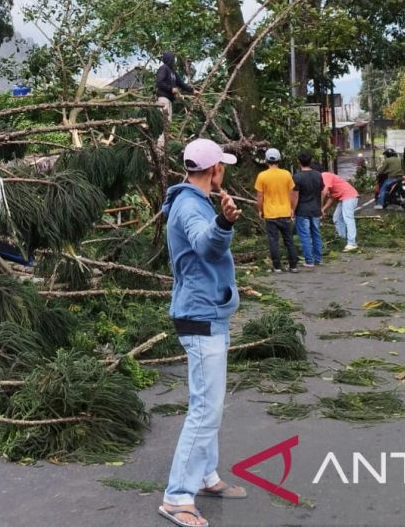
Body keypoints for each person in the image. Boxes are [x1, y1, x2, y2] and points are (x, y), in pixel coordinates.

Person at [159, 138, 246, 527]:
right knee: (205, 409)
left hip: (207, 312)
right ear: (216, 171)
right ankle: (178, 497)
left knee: (210, 402)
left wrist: (220, 220)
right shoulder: (191, 206)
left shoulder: (191, 202)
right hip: (200, 315)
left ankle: (207, 476)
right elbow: (206, 245)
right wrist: (225, 223)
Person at [255, 148, 299, 273]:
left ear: (266, 160)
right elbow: (292, 194)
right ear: (279, 159)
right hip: (285, 212)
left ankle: (277, 267)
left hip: (270, 214)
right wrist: (291, 209)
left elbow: (259, 196)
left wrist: (260, 210)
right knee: (289, 240)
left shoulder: (262, 176)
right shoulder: (286, 174)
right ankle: (293, 266)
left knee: (273, 241)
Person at [293, 152, 325, 267]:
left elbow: (295, 196)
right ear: (310, 161)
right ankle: (318, 259)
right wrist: (320, 207)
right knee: (316, 233)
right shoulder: (318, 175)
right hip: (315, 209)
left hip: (302, 210)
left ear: (299, 162)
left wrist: (292, 210)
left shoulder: (297, 177)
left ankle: (309, 260)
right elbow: (321, 192)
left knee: (305, 235)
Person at [320, 170, 360, 252]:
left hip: (349, 196)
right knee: (337, 218)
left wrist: (318, 207)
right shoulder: (328, 181)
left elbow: (324, 192)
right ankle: (342, 239)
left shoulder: (324, 175)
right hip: (344, 198)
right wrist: (322, 209)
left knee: (348, 218)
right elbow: (331, 198)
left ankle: (352, 243)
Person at [155, 51, 195, 126]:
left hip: (169, 99)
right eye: (173, 59)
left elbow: (181, 84)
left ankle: (165, 138)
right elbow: (159, 82)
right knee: (164, 122)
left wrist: (193, 91)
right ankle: (161, 138)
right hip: (163, 99)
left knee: (168, 122)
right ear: (169, 59)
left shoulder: (173, 72)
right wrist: (171, 88)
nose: (174, 61)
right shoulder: (163, 68)